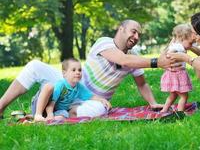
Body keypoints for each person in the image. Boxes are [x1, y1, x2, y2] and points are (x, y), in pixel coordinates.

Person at [0, 19, 171, 118]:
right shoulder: (104, 43)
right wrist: (157, 62)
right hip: (72, 85)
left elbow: (142, 84)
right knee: (34, 66)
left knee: (101, 110)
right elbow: (122, 59)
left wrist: (153, 103)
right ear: (121, 29)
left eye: (139, 35)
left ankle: (60, 112)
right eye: (133, 32)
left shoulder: (134, 57)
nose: (136, 37)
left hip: (94, 100)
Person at [33, 58, 110, 122]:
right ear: (64, 73)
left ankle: (45, 120)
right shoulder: (61, 84)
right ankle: (37, 115)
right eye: (73, 70)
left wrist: (102, 100)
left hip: (55, 111)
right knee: (49, 87)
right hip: (40, 105)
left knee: (63, 118)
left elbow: (91, 97)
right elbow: (51, 104)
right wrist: (50, 114)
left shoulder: (79, 87)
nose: (78, 72)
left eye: (79, 70)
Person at [160, 24, 193, 112]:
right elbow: (170, 53)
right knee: (184, 96)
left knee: (173, 95)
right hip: (177, 74)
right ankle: (180, 112)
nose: (191, 45)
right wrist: (169, 55)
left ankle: (164, 110)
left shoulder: (175, 44)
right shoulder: (179, 47)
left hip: (173, 74)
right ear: (182, 38)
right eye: (190, 43)